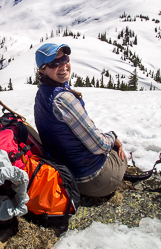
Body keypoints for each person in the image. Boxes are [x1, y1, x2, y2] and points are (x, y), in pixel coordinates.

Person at [34, 42, 127, 197]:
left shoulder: (42, 93)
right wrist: (113, 137)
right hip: (91, 178)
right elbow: (99, 145)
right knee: (121, 154)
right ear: (42, 70)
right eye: (54, 63)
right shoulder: (63, 99)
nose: (63, 65)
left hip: (68, 173)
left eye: (65, 59)